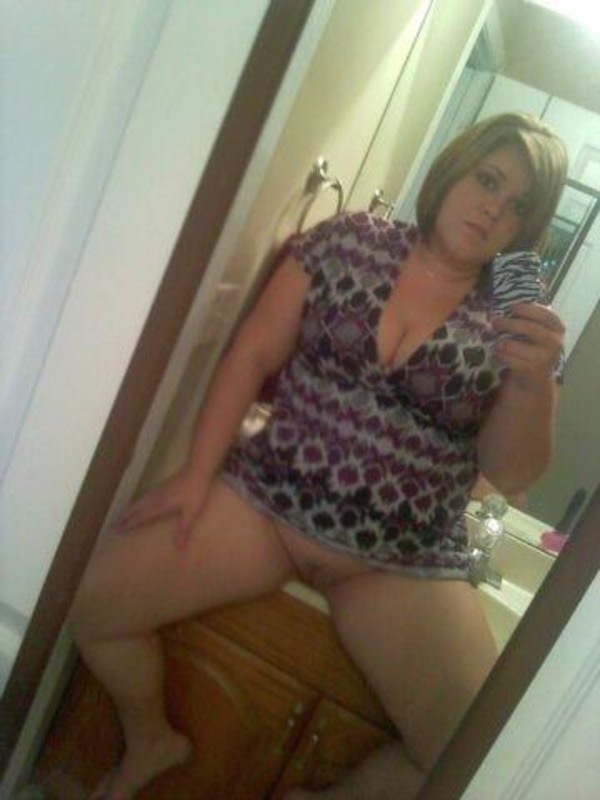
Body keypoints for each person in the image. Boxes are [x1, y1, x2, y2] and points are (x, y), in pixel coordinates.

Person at [69, 112, 568, 800]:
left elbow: (511, 473)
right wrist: (195, 473)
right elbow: (253, 352)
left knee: (474, 760)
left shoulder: (518, 332)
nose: (494, 208)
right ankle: (151, 740)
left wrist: (534, 380)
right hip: (266, 507)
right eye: (488, 180)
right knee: (91, 599)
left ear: (526, 231)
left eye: (518, 206)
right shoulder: (347, 240)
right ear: (456, 167)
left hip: (400, 563)